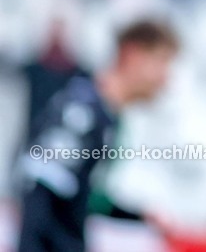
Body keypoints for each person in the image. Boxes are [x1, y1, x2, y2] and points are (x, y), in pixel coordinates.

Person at [16, 18, 180, 252]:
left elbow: (81, 198)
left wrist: (137, 217)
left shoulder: (107, 116)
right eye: (161, 63)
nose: (166, 79)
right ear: (132, 55)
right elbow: (41, 193)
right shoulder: (81, 111)